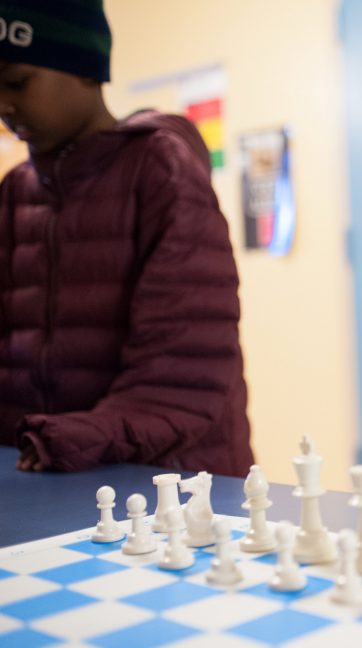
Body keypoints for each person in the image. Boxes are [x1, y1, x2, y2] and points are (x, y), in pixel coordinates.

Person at [0, 0, 253, 476]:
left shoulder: (160, 168)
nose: (3, 105)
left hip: (167, 487)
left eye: (17, 81)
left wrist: (65, 438)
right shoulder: (15, 191)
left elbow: (182, 368)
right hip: (47, 478)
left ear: (87, 70)